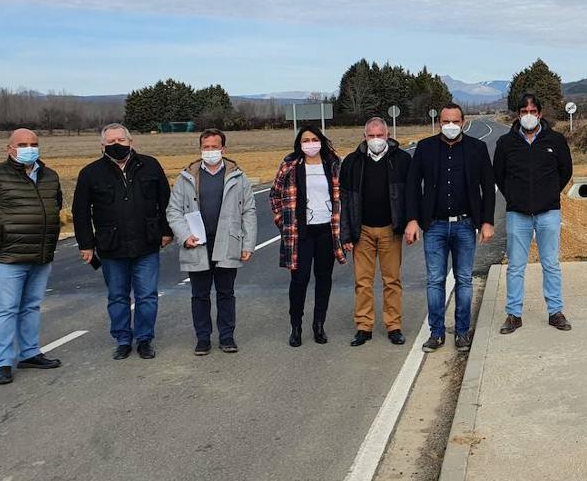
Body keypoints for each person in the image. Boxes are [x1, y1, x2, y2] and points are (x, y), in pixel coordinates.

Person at [0, 129, 64, 385]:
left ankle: (29, 352)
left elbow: (56, 205)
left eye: (33, 144)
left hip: (40, 254)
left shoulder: (49, 176)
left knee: (31, 305)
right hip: (5, 256)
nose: (29, 148)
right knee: (5, 309)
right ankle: (4, 361)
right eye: (22, 144)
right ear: (9, 148)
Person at [74, 123, 173, 360]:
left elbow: (166, 201)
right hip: (111, 246)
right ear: (102, 146)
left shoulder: (150, 166)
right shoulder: (90, 173)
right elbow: (80, 212)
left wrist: (166, 230)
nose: (116, 145)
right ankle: (122, 339)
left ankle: (145, 339)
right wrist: (86, 244)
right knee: (117, 296)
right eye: (111, 142)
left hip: (147, 243)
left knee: (147, 295)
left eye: (120, 140)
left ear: (131, 142)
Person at [404, 103, 495, 354]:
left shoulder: (477, 148)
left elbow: (488, 186)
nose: (450, 126)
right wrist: (412, 220)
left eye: (455, 121)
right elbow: (412, 186)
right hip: (434, 226)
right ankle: (436, 333)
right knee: (435, 280)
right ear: (439, 122)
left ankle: (463, 332)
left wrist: (487, 221)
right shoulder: (425, 148)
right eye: (445, 121)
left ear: (463, 121)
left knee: (464, 280)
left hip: (466, 225)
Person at [166, 129, 257, 356]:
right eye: (206, 147)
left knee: (226, 292)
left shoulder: (238, 176)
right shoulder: (187, 177)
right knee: (200, 294)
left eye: (214, 147)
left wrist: (248, 245)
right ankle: (203, 338)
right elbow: (174, 210)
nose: (210, 151)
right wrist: (185, 235)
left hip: (227, 242)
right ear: (200, 149)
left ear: (223, 149)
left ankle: (227, 337)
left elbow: (249, 211)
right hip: (197, 244)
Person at [492, 93, 573, 335]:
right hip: (518, 214)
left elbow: (565, 171)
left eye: (533, 111)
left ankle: (555, 312)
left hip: (548, 213)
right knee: (516, 266)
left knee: (551, 264)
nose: (529, 116)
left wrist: (548, 193)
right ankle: (514, 314)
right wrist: (515, 196)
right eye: (524, 112)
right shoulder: (506, 144)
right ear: (518, 115)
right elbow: (499, 175)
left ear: (540, 113)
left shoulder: (555, 140)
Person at [270, 125, 345, 347]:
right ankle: (296, 326)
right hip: (300, 233)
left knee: (324, 279)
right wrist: (283, 222)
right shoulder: (289, 166)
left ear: (321, 140)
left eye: (314, 139)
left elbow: (344, 195)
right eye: (306, 140)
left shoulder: (333, 165)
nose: (310, 143)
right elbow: (275, 195)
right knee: (299, 280)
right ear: (299, 144)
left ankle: (319, 324)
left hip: (327, 231)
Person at [340, 117, 412, 347]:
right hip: (362, 231)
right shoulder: (352, 162)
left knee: (392, 280)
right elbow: (343, 201)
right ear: (364, 137)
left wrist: (411, 222)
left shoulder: (402, 160)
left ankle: (394, 326)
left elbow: (411, 196)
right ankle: (364, 326)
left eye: (380, 136)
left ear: (388, 135)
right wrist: (346, 234)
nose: (376, 140)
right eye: (371, 136)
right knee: (363, 281)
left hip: (391, 230)